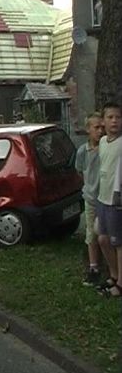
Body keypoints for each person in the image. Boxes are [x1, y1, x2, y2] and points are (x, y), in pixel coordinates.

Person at [96, 102, 122, 297]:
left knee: (118, 242)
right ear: (103, 121)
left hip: (116, 201)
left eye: (118, 117)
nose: (114, 121)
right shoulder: (103, 142)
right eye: (110, 117)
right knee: (102, 238)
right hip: (101, 198)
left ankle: (120, 284)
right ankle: (113, 274)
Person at [75, 112, 104, 286]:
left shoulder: (107, 148)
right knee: (91, 234)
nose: (100, 131)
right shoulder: (82, 151)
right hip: (91, 198)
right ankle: (94, 267)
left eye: (102, 127)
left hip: (107, 198)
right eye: (96, 127)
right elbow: (80, 172)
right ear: (88, 130)